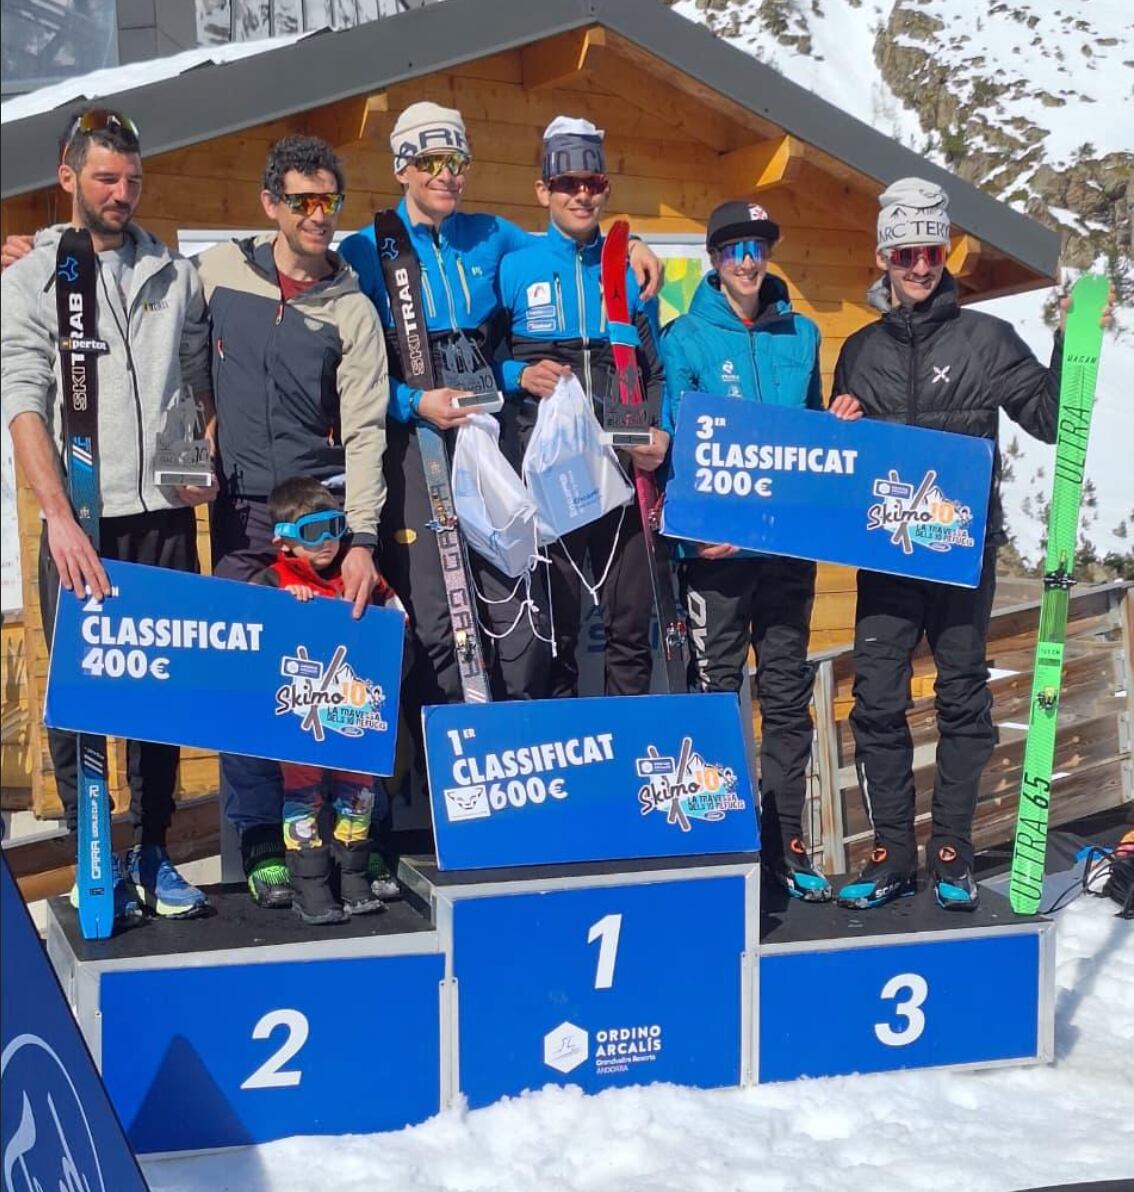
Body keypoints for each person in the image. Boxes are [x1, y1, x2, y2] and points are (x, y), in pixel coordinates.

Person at [339, 104, 663, 749]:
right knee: (437, 621)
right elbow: (352, 369)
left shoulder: (493, 236)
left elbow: (569, 243)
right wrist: (412, 403)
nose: (445, 176)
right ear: (402, 167)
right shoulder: (365, 249)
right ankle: (448, 788)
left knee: (516, 615)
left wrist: (635, 243)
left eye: (455, 162)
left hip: (491, 439)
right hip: (417, 441)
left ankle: (522, 761)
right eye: (430, 163)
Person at [830, 176, 1088, 910]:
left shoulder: (987, 340)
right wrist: (839, 423)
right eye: (905, 251)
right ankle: (889, 854)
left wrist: (1071, 342)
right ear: (885, 257)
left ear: (947, 252)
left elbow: (1051, 420)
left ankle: (951, 850)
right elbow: (838, 466)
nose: (919, 266)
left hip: (959, 551)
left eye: (931, 250)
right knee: (876, 702)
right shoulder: (859, 352)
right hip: (886, 555)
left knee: (962, 702)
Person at [0, 107, 213, 921]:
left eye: (131, 179)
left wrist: (203, 457)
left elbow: (195, 384)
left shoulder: (172, 270)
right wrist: (55, 516)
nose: (120, 193)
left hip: (159, 513)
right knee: (84, 694)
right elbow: (23, 401)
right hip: (80, 521)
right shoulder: (30, 278)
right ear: (67, 178)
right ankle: (93, 851)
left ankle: (153, 850)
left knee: (160, 694)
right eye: (104, 179)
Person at [195, 135, 390, 909]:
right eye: (303, 201)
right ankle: (257, 843)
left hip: (318, 523)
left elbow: (369, 429)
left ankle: (346, 842)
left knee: (329, 682)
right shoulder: (217, 272)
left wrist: (363, 541)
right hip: (240, 513)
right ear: (270, 203)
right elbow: (129, 279)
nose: (318, 216)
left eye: (329, 202)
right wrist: (40, 245)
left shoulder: (350, 307)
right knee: (251, 682)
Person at [660, 200, 861, 902]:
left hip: (785, 553)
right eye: (734, 249)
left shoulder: (801, 333)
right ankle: (718, 843)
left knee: (784, 696)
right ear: (715, 259)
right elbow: (669, 452)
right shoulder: (683, 337)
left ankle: (785, 844)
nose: (748, 262)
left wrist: (834, 424)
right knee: (716, 697)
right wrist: (689, 536)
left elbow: (808, 440)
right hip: (715, 559)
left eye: (759, 248)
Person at [494, 116, 669, 697]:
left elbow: (656, 369)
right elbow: (484, 357)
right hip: (552, 476)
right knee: (557, 631)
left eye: (592, 183)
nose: (581, 194)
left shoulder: (627, 266)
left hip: (623, 472)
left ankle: (629, 752)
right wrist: (519, 372)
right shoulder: (515, 264)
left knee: (627, 628)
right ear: (543, 190)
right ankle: (573, 766)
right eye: (567, 183)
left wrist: (660, 434)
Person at [255, 476, 399, 925]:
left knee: (359, 796)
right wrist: (284, 604)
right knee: (303, 798)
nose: (328, 543)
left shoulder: (356, 575)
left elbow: (395, 619)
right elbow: (253, 633)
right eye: (313, 532)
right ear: (285, 542)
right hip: (301, 719)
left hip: (354, 713)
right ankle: (311, 887)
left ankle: (352, 877)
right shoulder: (274, 579)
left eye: (335, 528)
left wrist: (376, 608)